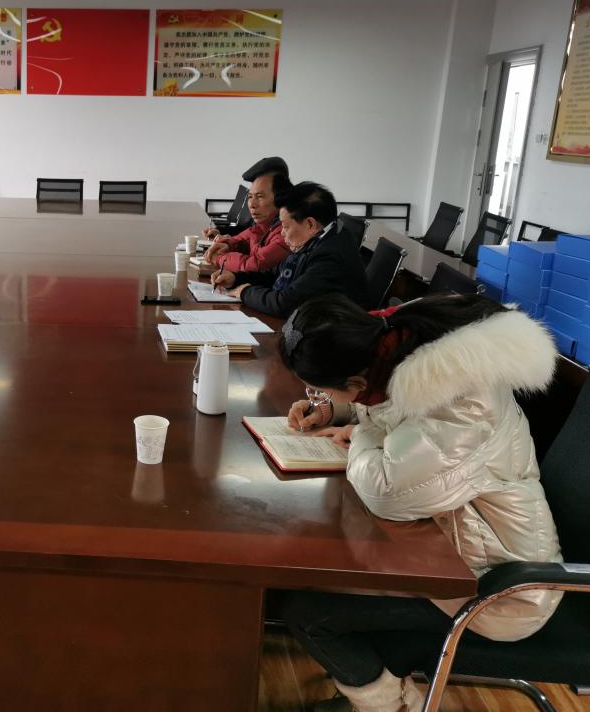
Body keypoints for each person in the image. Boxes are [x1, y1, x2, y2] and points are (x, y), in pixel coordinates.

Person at [277, 293, 562, 712]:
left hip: (498, 588)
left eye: (324, 388)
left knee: (307, 611)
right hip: (451, 550)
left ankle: (388, 704)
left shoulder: (463, 403)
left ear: (357, 380)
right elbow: (392, 410)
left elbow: (386, 491)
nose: (322, 395)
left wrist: (361, 433)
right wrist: (332, 410)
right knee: (317, 566)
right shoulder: (400, 342)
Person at [211, 182, 369, 316]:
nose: (281, 233)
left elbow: (284, 303)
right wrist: (236, 278)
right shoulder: (319, 238)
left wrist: (245, 292)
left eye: (286, 227)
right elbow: (276, 273)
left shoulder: (331, 255)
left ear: (310, 224)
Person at [202, 156, 293, 274]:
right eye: (250, 196)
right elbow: (244, 239)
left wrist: (219, 258)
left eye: (260, 196)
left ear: (281, 198)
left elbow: (256, 263)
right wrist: (227, 245)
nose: (252, 204)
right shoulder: (263, 225)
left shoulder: (287, 231)